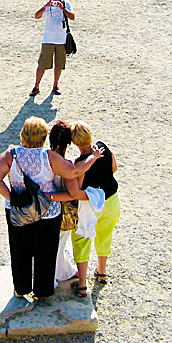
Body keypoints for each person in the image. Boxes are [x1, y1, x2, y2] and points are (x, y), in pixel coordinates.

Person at [0, 117, 103, 299]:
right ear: (43, 137)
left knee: (19, 251)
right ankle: (42, 291)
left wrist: (13, 197)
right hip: (47, 212)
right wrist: (92, 158)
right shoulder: (48, 157)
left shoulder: (11, 155)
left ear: (22, 135)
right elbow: (74, 171)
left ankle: (21, 288)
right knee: (45, 253)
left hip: (18, 211)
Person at [69, 121, 120, 298]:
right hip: (112, 200)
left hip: (90, 206)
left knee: (81, 240)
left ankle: (82, 284)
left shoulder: (80, 163)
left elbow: (79, 189)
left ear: (75, 143)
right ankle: (102, 271)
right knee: (105, 235)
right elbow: (114, 168)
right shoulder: (103, 147)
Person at [48, 121, 89, 286]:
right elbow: (74, 190)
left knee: (54, 244)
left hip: (43, 207)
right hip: (61, 210)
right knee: (59, 244)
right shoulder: (68, 165)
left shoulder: (46, 158)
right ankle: (57, 275)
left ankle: (65, 271)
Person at [31, 0, 74, 97]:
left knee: (59, 64)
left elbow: (72, 17)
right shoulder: (47, 4)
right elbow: (36, 16)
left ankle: (55, 85)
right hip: (48, 40)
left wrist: (63, 8)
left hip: (62, 40)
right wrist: (46, 7)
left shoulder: (66, 4)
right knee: (42, 64)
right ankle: (36, 86)